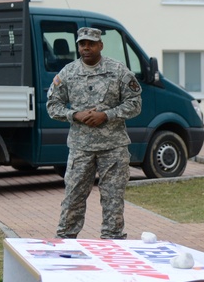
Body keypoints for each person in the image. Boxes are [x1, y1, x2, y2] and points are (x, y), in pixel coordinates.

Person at [47, 26, 142, 239]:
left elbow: (135, 103)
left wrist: (107, 115)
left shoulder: (118, 71)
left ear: (100, 45)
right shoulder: (68, 73)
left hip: (113, 148)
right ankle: (65, 244)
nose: (86, 47)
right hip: (81, 148)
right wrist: (75, 115)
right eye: (82, 43)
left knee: (113, 200)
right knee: (73, 198)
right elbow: (53, 105)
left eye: (91, 43)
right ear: (78, 46)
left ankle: (113, 244)